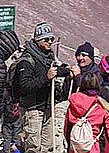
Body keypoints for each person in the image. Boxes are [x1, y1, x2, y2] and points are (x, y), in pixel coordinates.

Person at [8, 23, 69, 153]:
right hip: (33, 109)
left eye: (51, 39)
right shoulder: (26, 60)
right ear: (37, 40)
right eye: (46, 39)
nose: (50, 42)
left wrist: (67, 70)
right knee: (33, 147)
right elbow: (25, 86)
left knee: (48, 147)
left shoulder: (48, 57)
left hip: (48, 107)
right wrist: (46, 78)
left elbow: (55, 71)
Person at [64, 72, 109, 153]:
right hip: (92, 148)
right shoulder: (102, 106)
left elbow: (66, 128)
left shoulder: (73, 102)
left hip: (74, 147)